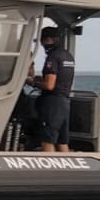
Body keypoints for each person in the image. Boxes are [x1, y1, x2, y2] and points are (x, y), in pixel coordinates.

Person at [35, 23, 75, 152]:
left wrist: (33, 82)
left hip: (52, 102)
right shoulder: (68, 55)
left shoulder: (52, 57)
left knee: (48, 139)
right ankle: (67, 164)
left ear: (48, 39)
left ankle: (48, 164)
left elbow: (49, 85)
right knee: (62, 141)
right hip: (64, 101)